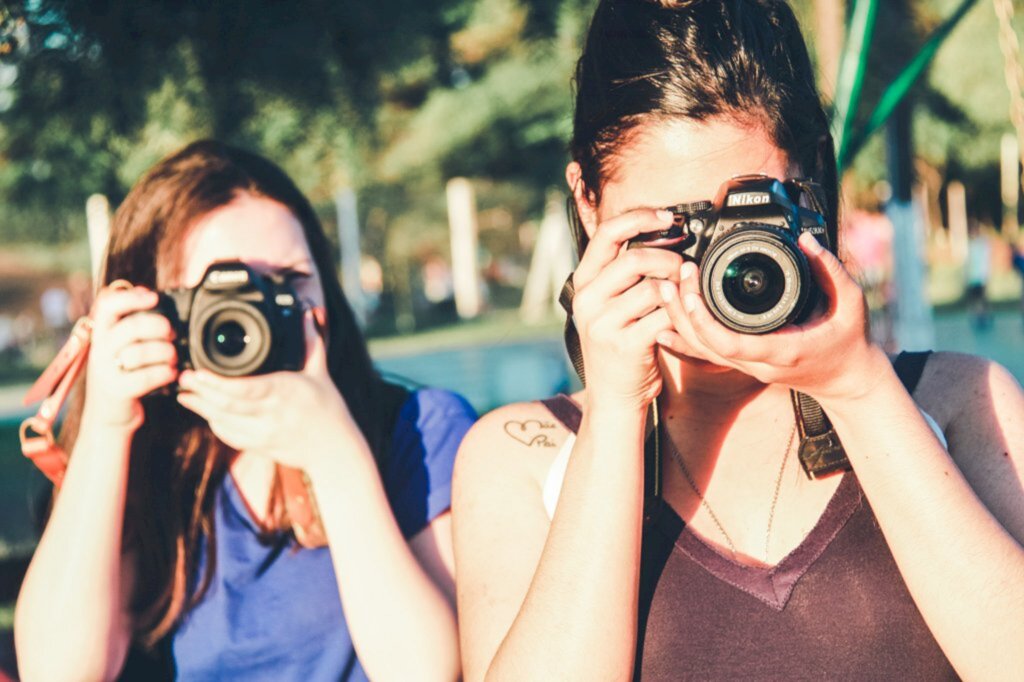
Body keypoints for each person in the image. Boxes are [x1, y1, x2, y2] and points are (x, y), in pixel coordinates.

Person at [452, 1, 1024, 680]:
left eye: (744, 212)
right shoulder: (524, 457)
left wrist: (858, 387)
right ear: (588, 202)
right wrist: (614, 416)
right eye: (672, 227)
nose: (715, 263)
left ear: (810, 178)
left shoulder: (960, 402)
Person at [15, 141, 475, 681]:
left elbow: (427, 674)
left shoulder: (420, 430)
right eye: (215, 290)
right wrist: (105, 427)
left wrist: (337, 456)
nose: (249, 311)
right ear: (148, 307)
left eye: (287, 281)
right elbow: (58, 673)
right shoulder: (145, 455)